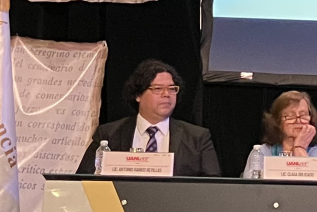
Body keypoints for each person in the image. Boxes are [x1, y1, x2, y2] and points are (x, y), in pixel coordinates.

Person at [78, 60, 220, 177]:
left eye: (172, 89)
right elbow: (84, 178)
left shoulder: (197, 138)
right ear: (138, 95)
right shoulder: (109, 134)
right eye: (158, 89)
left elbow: (213, 186)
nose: (167, 94)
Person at [241, 91, 317, 177]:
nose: (298, 121)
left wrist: (299, 148)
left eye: (303, 115)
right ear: (277, 122)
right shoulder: (261, 152)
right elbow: (251, 190)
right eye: (290, 116)